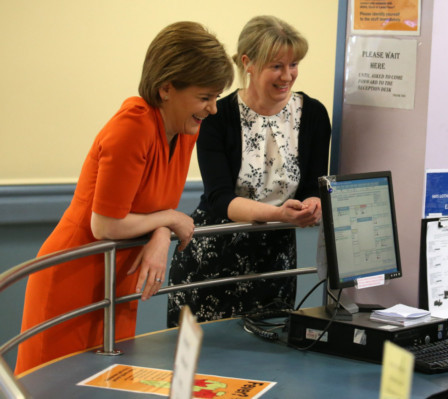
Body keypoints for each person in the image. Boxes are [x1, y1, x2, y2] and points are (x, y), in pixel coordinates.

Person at [15, 21, 234, 374]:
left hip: (116, 278)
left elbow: (152, 209)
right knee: (55, 384)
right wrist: (171, 220)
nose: (213, 109)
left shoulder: (186, 127)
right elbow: (104, 224)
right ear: (166, 89)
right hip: (75, 274)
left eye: (216, 98)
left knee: (108, 382)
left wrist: (162, 229)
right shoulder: (133, 127)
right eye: (205, 97)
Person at [167, 16, 331, 327]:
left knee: (271, 357)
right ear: (248, 63)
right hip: (214, 256)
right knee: (203, 367)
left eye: (293, 64)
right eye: (277, 66)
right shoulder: (216, 116)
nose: (287, 76)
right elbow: (219, 199)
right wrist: (279, 215)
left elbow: (312, 185)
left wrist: (313, 204)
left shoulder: (313, 115)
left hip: (275, 261)